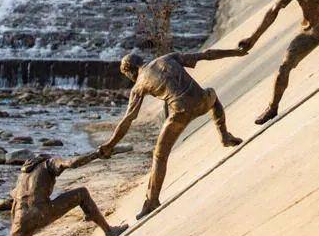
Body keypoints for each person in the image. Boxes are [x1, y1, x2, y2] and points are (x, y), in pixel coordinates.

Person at [98, 47, 246, 219]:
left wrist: (110, 144)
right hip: (203, 101)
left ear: (130, 71)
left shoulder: (139, 85)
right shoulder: (167, 58)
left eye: (128, 76)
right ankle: (225, 136)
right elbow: (206, 55)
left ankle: (152, 200)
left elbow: (127, 121)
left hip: (181, 114)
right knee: (212, 93)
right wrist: (235, 52)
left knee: (159, 155)